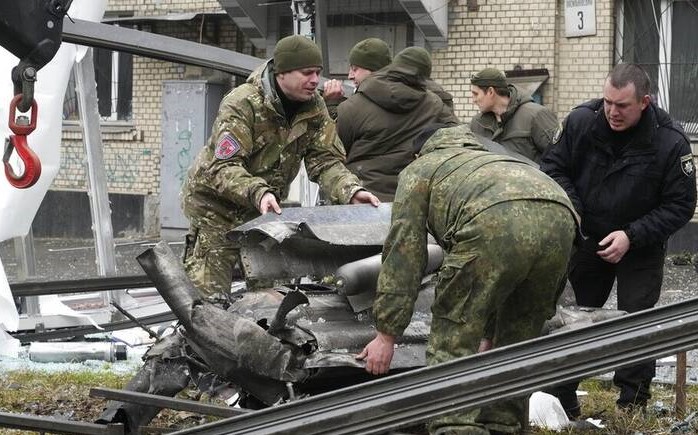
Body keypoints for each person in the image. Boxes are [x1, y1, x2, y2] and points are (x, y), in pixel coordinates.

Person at [357, 124, 578, 434]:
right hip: (562, 216)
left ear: (419, 153)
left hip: (493, 221)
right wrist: (490, 332)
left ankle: (455, 426)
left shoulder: (420, 169)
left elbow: (404, 254)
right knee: (516, 339)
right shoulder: (490, 161)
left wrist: (386, 335)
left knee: (453, 337)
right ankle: (504, 424)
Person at [540, 63, 697, 416]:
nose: (612, 111)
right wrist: (575, 213)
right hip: (587, 237)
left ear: (644, 101)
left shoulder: (669, 141)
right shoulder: (582, 121)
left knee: (636, 322)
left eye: (622, 105)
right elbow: (552, 168)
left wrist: (632, 235)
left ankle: (632, 404)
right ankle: (560, 398)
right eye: (608, 101)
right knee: (573, 319)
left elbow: (682, 204)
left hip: (640, 243)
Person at [181, 35, 380, 296]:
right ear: (282, 73)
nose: (314, 80)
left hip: (264, 214)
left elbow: (326, 160)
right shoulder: (243, 103)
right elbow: (223, 166)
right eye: (307, 72)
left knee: (269, 302)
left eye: (318, 73)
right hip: (216, 210)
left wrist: (350, 191)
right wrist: (259, 192)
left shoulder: (315, 107)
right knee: (208, 303)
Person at [336, 46, 458, 201]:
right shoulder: (435, 105)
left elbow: (334, 155)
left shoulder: (352, 106)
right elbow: (459, 140)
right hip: (413, 202)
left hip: (363, 198)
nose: (350, 75)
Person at [470, 67, 557, 163]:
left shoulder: (536, 115)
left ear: (491, 92)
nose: (473, 100)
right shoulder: (477, 124)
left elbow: (559, 158)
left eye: (476, 94)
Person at [321, 38, 392, 119]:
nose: (350, 76)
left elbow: (338, 129)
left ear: (374, 70)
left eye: (355, 69)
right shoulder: (395, 97)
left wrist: (331, 103)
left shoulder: (369, 106)